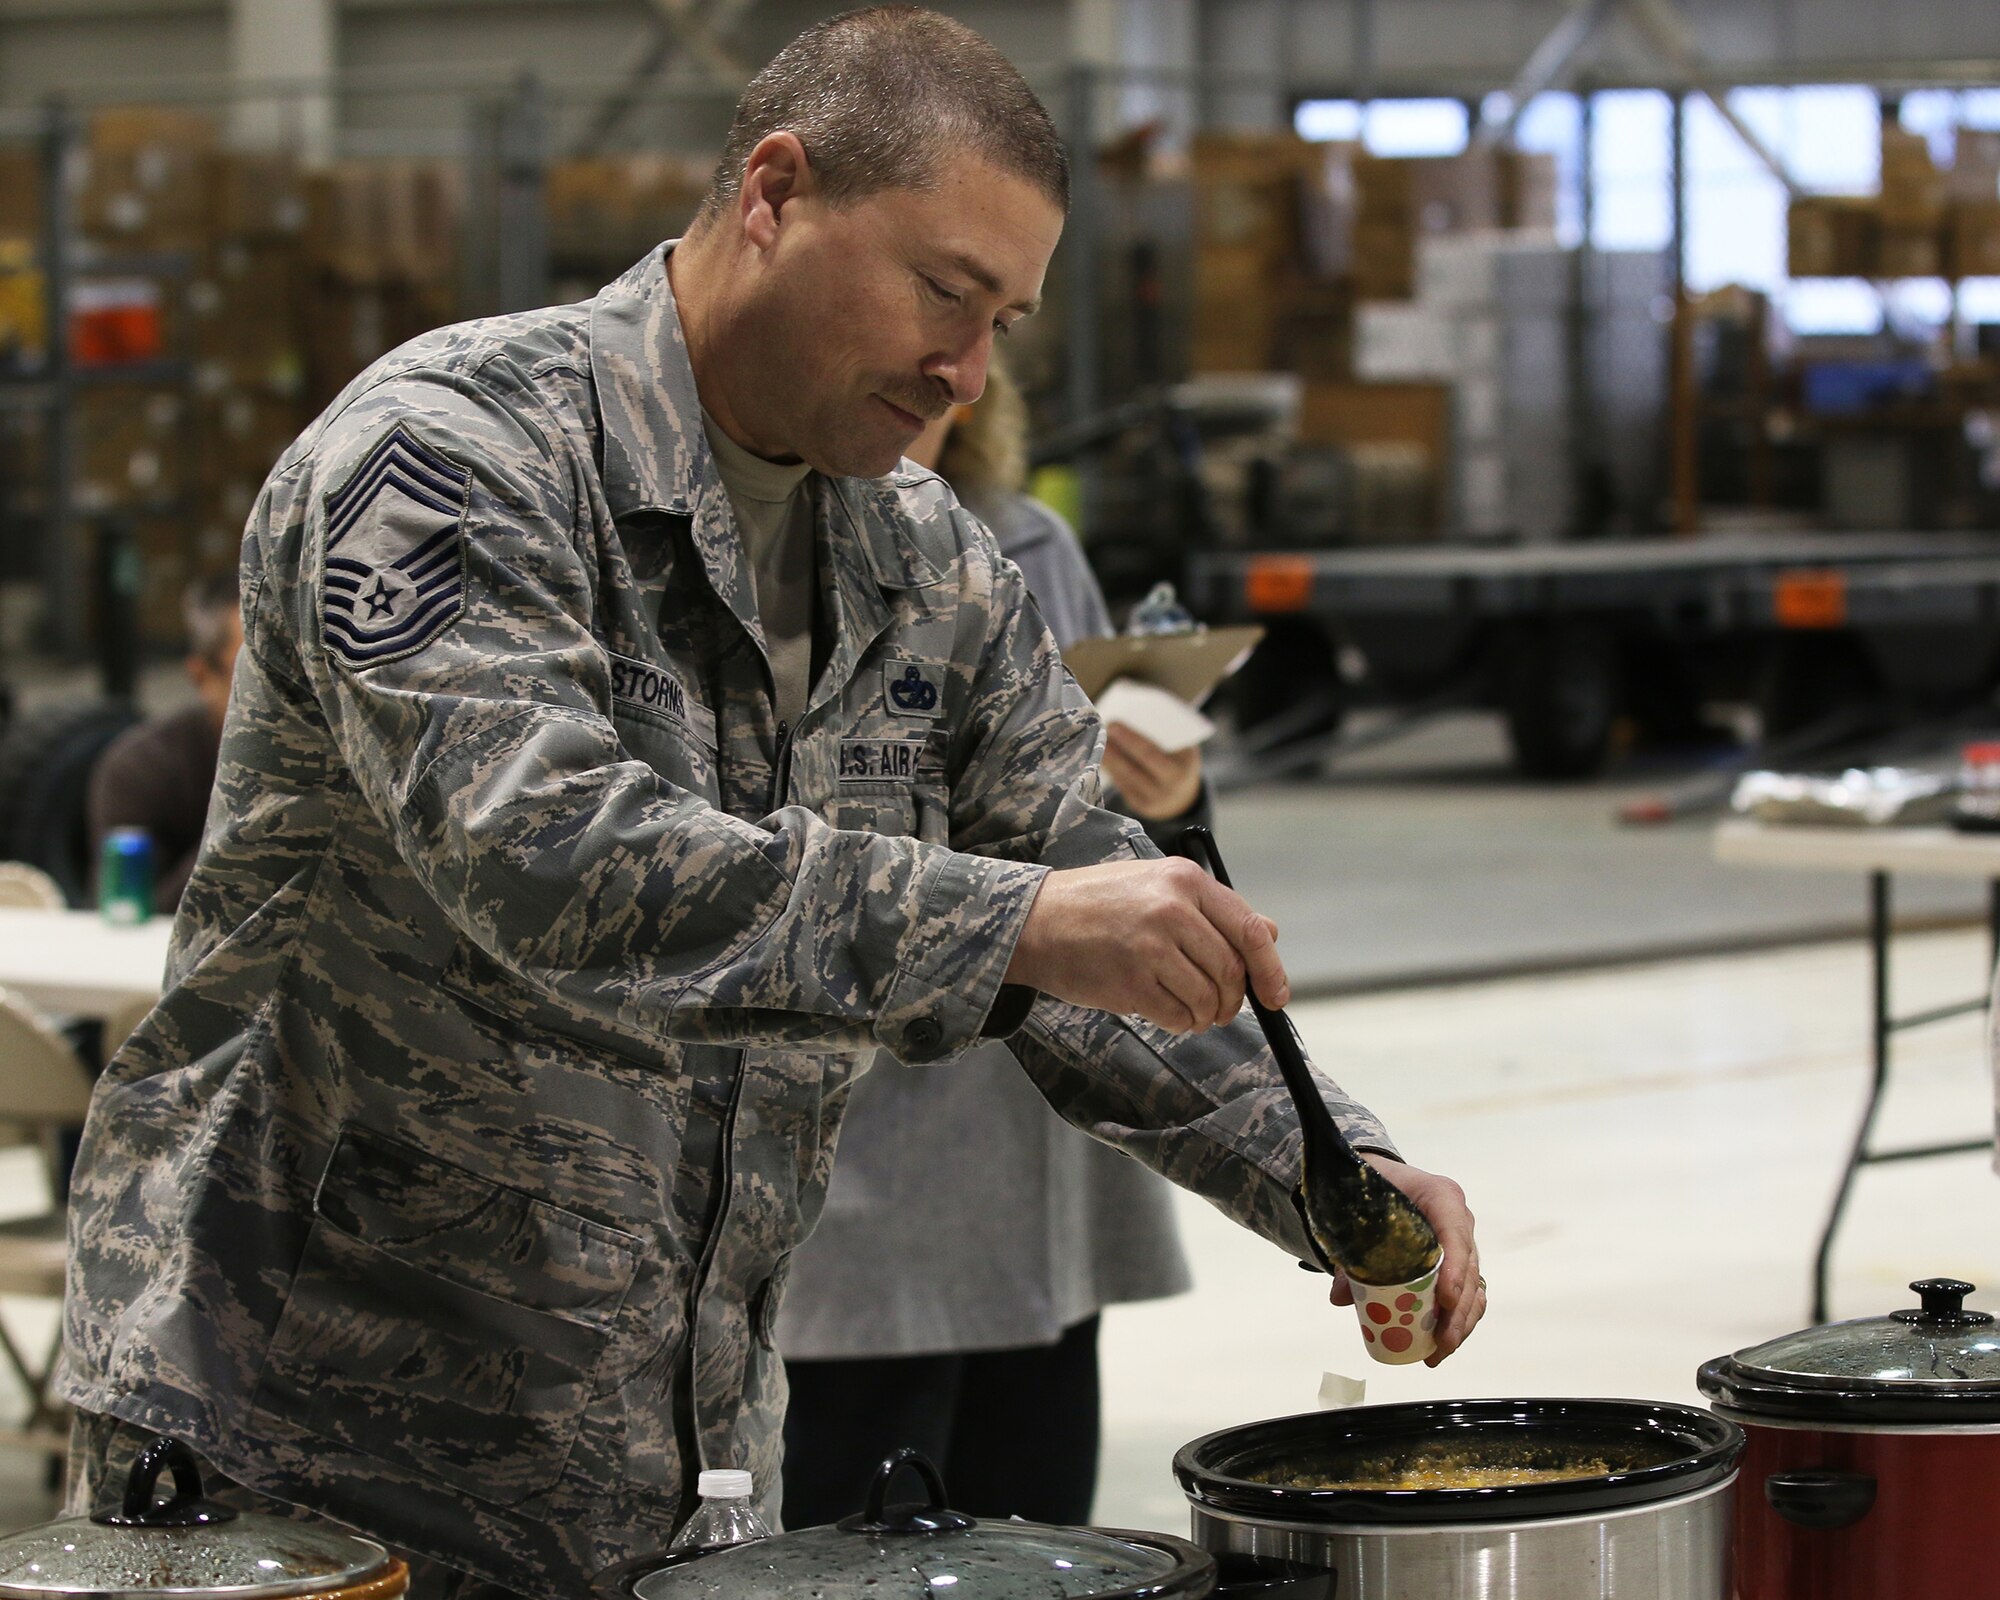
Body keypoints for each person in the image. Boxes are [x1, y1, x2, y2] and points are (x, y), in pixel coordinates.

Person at [57, 12, 1484, 1600]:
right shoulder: (453, 457)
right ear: (774, 190)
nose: (969, 366)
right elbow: (549, 859)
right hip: (305, 1465)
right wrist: (1022, 919)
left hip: (670, 1466)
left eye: (1004, 318)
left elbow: (1098, 923)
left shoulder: (927, 562)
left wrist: (1331, 1167)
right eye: (944, 290)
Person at [777, 358, 1207, 1529]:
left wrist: (1164, 793)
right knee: (858, 1486)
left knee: (1033, 1491)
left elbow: (1108, 825)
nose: (944, 382)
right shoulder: (771, 547)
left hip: (1029, 1104)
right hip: (865, 1101)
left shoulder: (1022, 543)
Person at [86, 572, 240, 912]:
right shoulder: (142, 767)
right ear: (202, 677)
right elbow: (132, 914)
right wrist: (251, 810)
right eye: (256, 677)